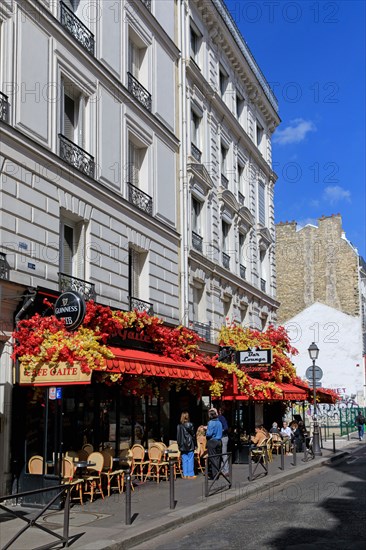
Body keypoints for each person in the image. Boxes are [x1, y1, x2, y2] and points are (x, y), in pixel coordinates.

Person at [177, 411, 196, 478]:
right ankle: (191, 474)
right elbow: (193, 435)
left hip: (182, 445)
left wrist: (179, 445)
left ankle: (185, 474)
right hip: (190, 444)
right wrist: (195, 444)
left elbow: (178, 437)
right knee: (190, 459)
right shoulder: (190, 424)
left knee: (184, 459)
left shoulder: (179, 426)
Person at [206, 408, 223, 479]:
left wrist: (206, 432)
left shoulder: (211, 423)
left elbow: (209, 434)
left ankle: (214, 475)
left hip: (212, 441)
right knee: (218, 458)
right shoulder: (219, 422)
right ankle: (217, 473)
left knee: (212, 458)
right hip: (219, 441)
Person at [218, 407, 229, 475]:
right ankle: (222, 469)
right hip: (220, 437)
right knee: (221, 453)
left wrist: (220, 431)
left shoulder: (221, 418)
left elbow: (226, 427)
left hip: (223, 437)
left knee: (223, 453)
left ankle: (226, 470)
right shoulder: (217, 418)